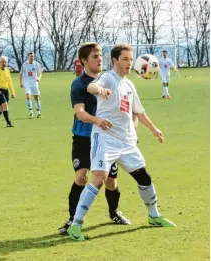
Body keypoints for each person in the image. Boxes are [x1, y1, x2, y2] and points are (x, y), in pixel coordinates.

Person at [68, 44, 176, 241]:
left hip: (126, 142)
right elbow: (91, 86)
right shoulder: (108, 77)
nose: (129, 63)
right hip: (105, 138)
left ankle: (154, 216)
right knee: (99, 178)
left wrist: (153, 129)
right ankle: (75, 225)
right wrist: (100, 89)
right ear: (115, 61)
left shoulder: (129, 85)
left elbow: (139, 112)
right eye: (125, 59)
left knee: (144, 178)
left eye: (130, 59)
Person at [58, 42, 131, 235]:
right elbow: (80, 113)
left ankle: (114, 212)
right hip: (83, 137)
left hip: (108, 139)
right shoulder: (79, 84)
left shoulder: (109, 79)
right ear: (84, 61)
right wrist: (97, 120)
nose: (99, 59)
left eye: (100, 55)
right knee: (81, 177)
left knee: (110, 182)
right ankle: (73, 219)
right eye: (94, 56)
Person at [20, 52, 42, 119]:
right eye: (30, 56)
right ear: (28, 57)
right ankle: (31, 112)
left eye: (33, 56)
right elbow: (21, 74)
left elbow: (40, 73)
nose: (32, 57)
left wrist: (38, 78)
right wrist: (20, 83)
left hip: (34, 83)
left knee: (36, 97)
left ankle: (38, 113)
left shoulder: (37, 64)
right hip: (26, 82)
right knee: (28, 97)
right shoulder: (24, 64)